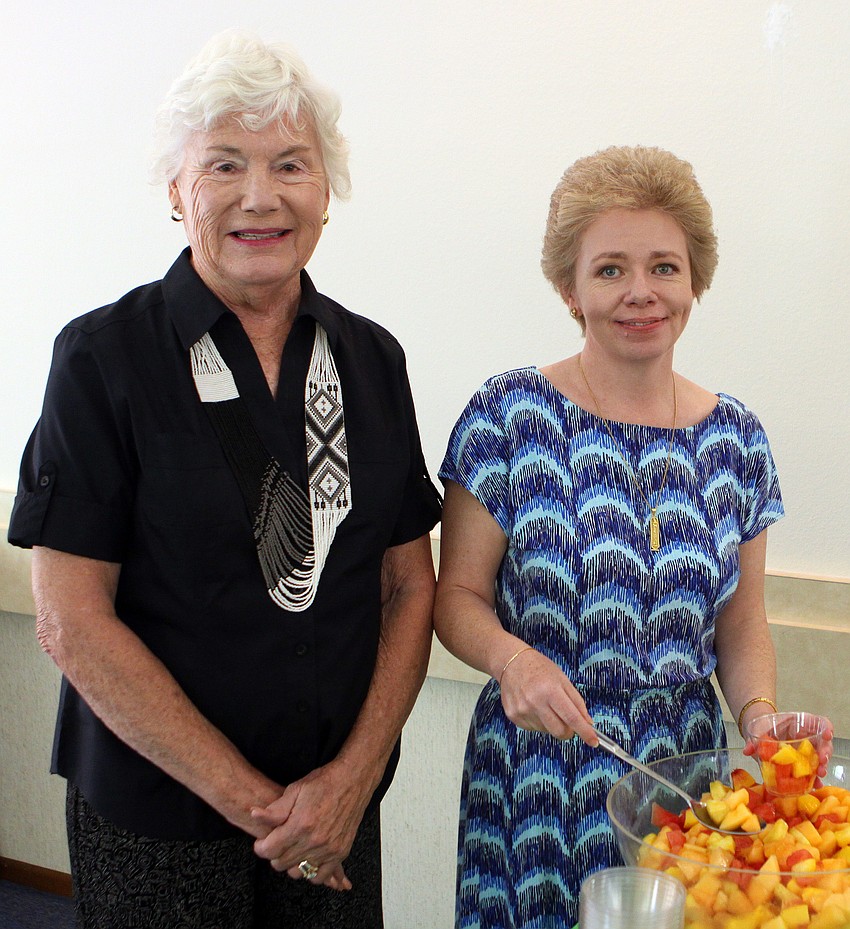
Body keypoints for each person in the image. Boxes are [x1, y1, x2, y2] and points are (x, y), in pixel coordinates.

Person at [8, 32, 440, 929]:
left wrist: (350, 781)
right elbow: (70, 619)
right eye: (224, 165)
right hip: (157, 816)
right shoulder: (101, 360)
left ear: (327, 191)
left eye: (291, 164)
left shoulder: (371, 359)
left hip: (337, 808)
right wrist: (262, 808)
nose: (260, 196)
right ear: (177, 191)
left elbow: (407, 583)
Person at [433, 145, 788, 928]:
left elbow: (742, 623)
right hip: (535, 773)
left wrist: (759, 718)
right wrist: (512, 659)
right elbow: (454, 597)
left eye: (664, 266)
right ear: (569, 288)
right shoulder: (508, 417)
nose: (641, 292)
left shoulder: (737, 440)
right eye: (609, 270)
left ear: (695, 280)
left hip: (682, 784)